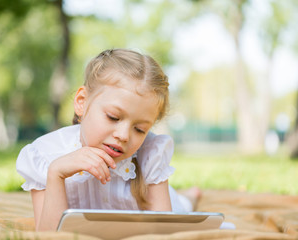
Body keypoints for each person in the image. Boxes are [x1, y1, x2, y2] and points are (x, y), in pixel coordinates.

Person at [16, 48, 201, 231]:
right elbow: (48, 235)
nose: (124, 135)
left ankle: (189, 196)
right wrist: (56, 173)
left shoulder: (150, 152)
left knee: (182, 207)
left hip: (166, 203)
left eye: (140, 129)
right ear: (82, 102)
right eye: (113, 117)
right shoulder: (46, 155)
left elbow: (162, 231)